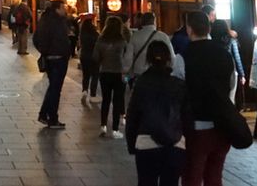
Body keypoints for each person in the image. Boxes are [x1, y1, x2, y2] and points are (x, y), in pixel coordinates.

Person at [126, 41, 189, 186]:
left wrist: (132, 145)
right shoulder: (179, 84)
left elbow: (132, 116)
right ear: (169, 59)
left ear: (148, 59)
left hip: (146, 142)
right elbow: (186, 116)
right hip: (175, 143)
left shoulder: (141, 83)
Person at [182, 10, 234, 186]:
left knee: (192, 176)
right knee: (214, 175)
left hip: (197, 126)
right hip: (223, 124)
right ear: (208, 28)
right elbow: (231, 84)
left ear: (189, 29)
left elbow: (178, 89)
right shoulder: (225, 55)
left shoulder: (184, 57)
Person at [33, 0, 71, 129]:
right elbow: (59, 39)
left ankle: (44, 114)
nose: (65, 9)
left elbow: (36, 39)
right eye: (63, 7)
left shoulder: (45, 20)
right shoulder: (57, 22)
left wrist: (44, 52)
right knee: (55, 89)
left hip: (51, 58)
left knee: (53, 88)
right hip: (58, 58)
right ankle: (52, 118)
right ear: (57, 9)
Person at [94, 16, 128, 139]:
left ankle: (103, 126)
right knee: (118, 100)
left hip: (105, 72)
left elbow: (95, 57)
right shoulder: (122, 41)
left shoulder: (100, 40)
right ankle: (115, 129)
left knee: (106, 100)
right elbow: (127, 58)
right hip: (120, 73)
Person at [124, 13, 175, 89]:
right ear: (154, 21)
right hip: (159, 73)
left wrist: (125, 71)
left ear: (142, 22)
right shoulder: (163, 36)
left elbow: (128, 58)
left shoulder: (135, 36)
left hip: (139, 73)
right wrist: (170, 69)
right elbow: (172, 56)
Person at [211, 20, 246, 103]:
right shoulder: (231, 40)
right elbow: (237, 57)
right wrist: (242, 74)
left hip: (215, 71)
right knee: (231, 98)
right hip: (231, 70)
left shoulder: (211, 42)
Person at [79, 18, 100, 100]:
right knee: (95, 75)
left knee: (86, 75)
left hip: (84, 56)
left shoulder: (82, 34)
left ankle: (84, 90)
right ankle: (93, 94)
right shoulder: (95, 34)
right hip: (94, 56)